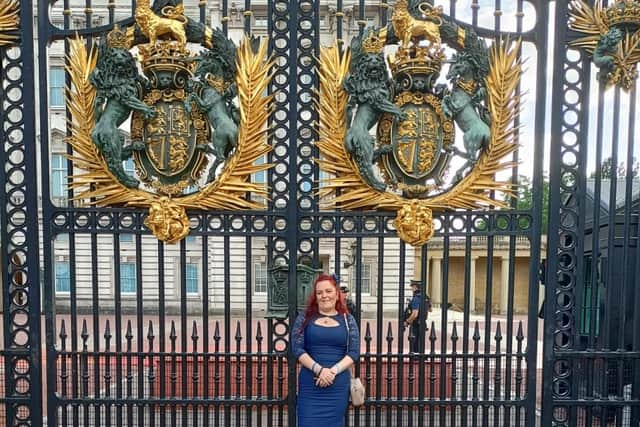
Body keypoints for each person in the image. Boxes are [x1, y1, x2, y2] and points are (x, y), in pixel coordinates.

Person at [291, 273, 360, 426]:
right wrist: (320, 370)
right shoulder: (305, 318)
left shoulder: (348, 320)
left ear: (337, 294)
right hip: (311, 383)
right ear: (315, 297)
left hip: (337, 384)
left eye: (328, 291)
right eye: (319, 292)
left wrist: (332, 371)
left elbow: (354, 352)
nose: (324, 296)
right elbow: (297, 348)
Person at [403, 279, 432, 353]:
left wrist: (407, 321)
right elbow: (430, 309)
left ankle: (415, 359)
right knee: (421, 344)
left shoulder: (416, 298)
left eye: (412, 286)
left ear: (416, 287)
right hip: (423, 323)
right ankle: (421, 358)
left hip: (416, 324)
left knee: (414, 344)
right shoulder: (426, 297)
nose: (411, 288)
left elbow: (415, 314)